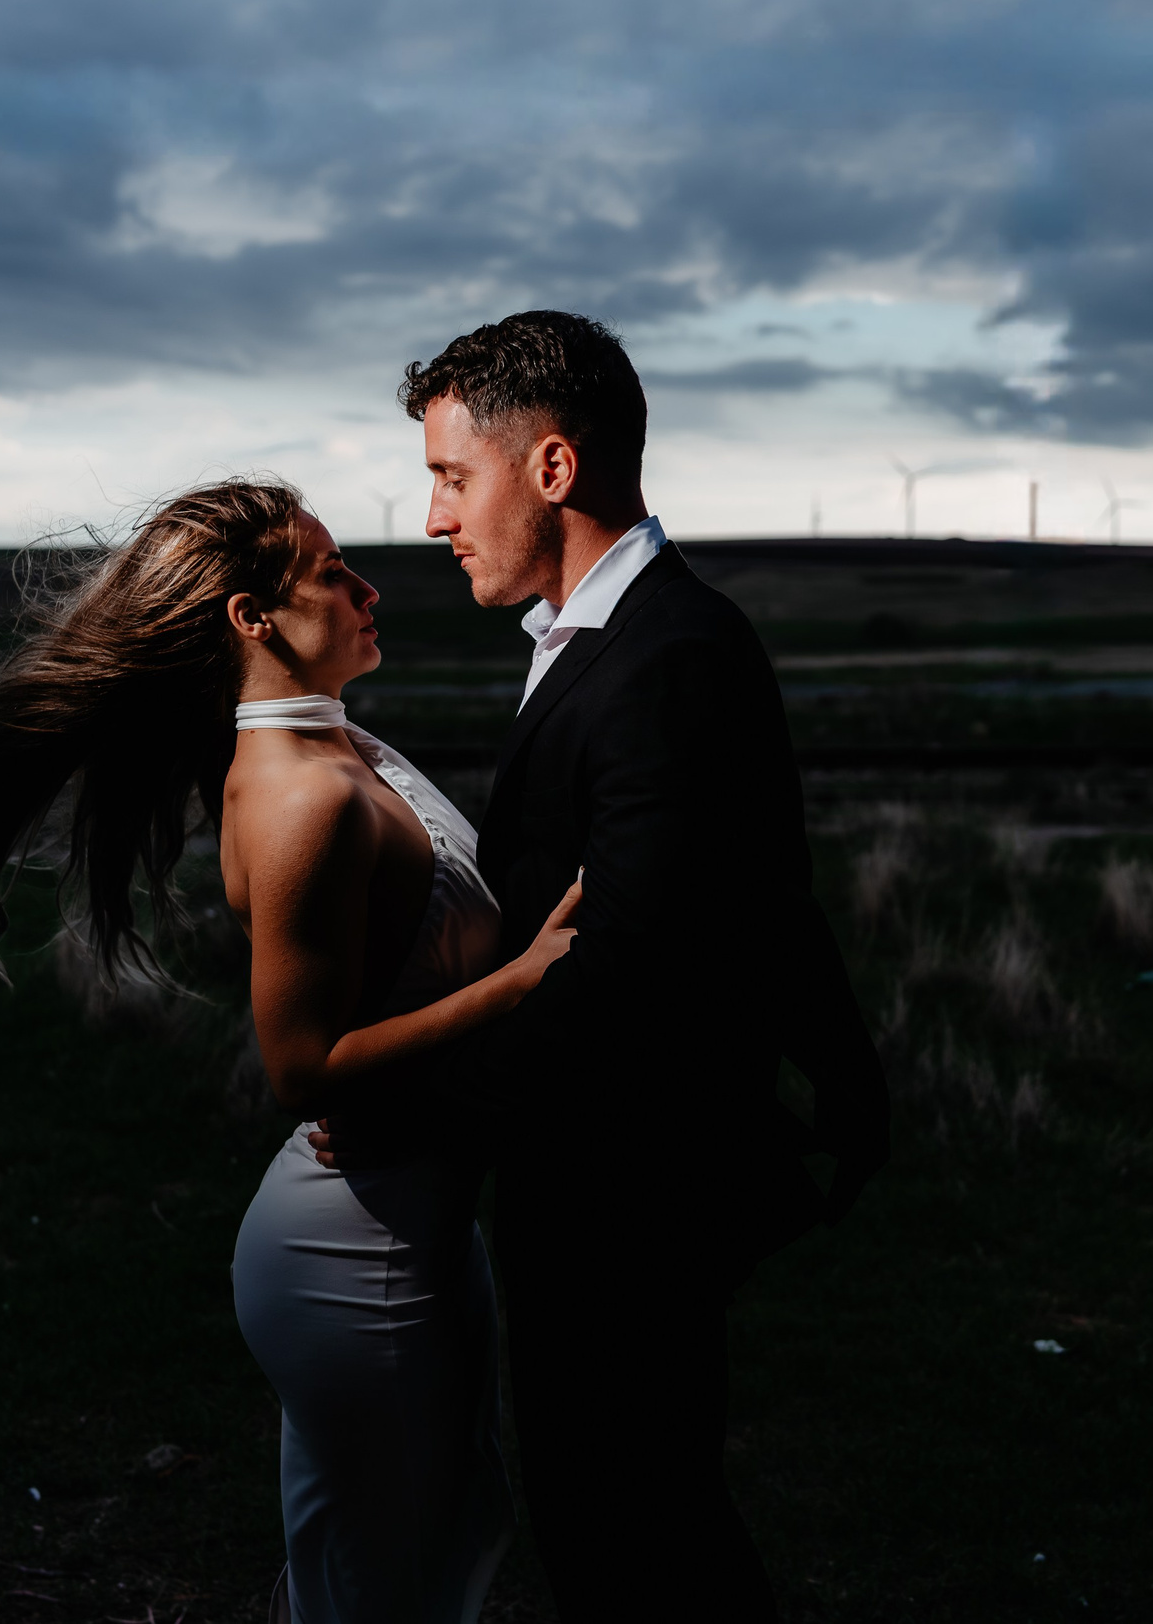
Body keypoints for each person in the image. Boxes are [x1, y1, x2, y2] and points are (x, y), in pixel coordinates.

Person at [0, 477, 569, 1623]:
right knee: (388, 1582)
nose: (369, 584)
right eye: (334, 571)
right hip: (360, 1255)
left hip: (407, 1222)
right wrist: (518, 983)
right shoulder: (299, 798)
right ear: (253, 619)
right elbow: (298, 1064)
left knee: (408, 1554)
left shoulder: (338, 743)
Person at [312, 311, 891, 1622]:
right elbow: (768, 885)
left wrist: (407, 1106)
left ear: (554, 469)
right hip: (599, 1181)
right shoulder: (607, 645)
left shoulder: (666, 662)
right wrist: (852, 1074)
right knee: (630, 1523)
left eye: (453, 476)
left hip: (627, 1192)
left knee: (634, 1535)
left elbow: (621, 967)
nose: (433, 517)